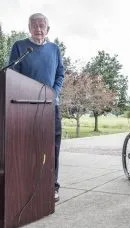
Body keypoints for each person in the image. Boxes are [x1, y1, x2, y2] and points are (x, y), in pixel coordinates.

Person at [9, 13, 64, 202]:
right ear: (29, 28)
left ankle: (53, 186)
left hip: (51, 106)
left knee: (52, 148)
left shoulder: (54, 49)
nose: (38, 29)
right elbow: (12, 72)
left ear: (48, 28)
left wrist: (54, 93)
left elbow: (60, 74)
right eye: (34, 25)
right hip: (26, 107)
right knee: (27, 147)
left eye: (42, 25)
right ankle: (28, 185)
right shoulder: (20, 47)